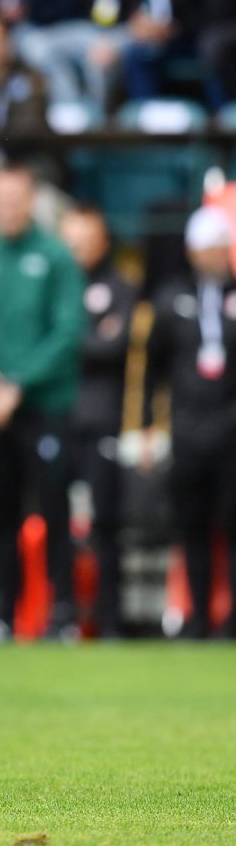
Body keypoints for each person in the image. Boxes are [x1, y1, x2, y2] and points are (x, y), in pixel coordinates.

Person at [0, 163, 86, 642]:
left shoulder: (56, 258)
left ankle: (64, 614)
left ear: (31, 200)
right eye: (0, 201)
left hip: (45, 407)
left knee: (53, 512)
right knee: (0, 515)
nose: (7, 210)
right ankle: (0, 615)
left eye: (15, 200)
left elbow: (67, 332)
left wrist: (18, 383)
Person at [142, 206, 236, 639]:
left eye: (219, 248)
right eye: (206, 249)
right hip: (188, 431)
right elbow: (151, 370)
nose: (213, 256)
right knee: (193, 527)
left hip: (232, 432)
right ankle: (199, 618)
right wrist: (147, 426)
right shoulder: (170, 300)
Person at [58, 203, 137, 638]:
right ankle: (63, 616)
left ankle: (110, 620)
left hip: (102, 422)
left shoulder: (120, 288)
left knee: (106, 523)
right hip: (57, 418)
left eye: (86, 241)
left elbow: (113, 346)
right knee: (54, 524)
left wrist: (67, 338)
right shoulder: (58, 286)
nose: (79, 250)